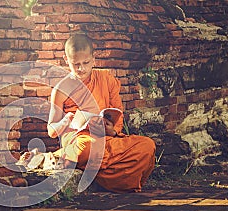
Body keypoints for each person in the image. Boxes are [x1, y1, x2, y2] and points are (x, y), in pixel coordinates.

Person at [47, 33, 156, 193]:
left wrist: (111, 129)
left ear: (94, 58)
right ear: (66, 59)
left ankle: (93, 170)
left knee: (147, 145)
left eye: (86, 63)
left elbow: (117, 115)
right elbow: (51, 130)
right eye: (75, 64)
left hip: (105, 138)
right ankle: (108, 173)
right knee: (86, 150)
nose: (81, 68)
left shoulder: (106, 79)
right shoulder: (61, 89)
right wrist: (66, 121)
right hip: (80, 139)